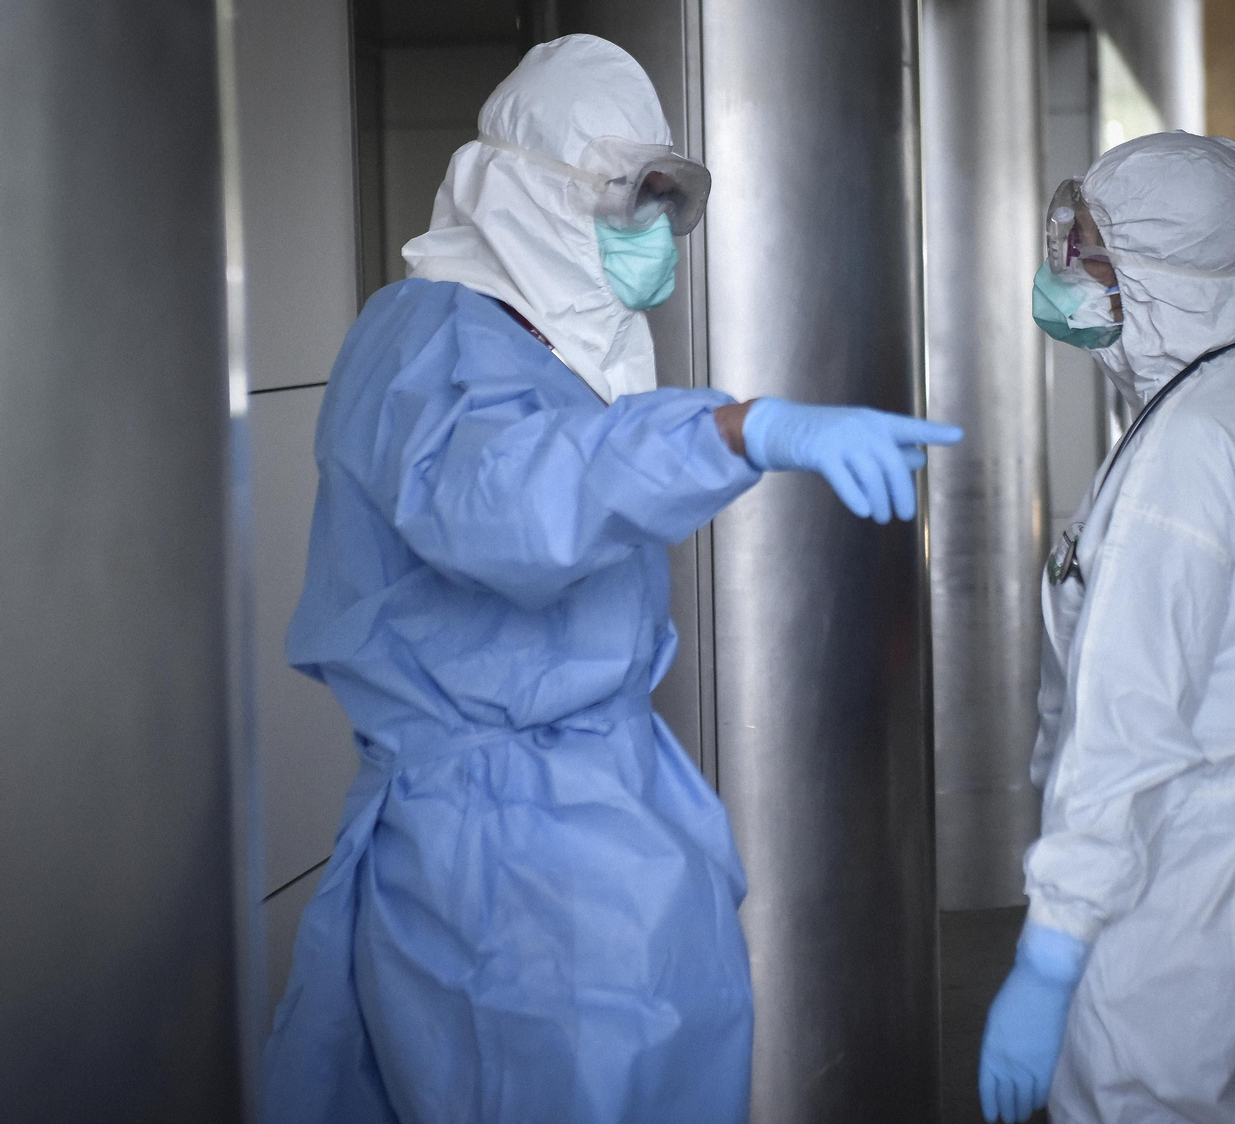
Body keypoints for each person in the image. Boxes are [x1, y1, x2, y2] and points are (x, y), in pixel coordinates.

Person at [260, 34, 960, 1124]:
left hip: (599, 817)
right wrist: (737, 427)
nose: (646, 237)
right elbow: (512, 506)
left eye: (660, 201)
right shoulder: (428, 341)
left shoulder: (534, 349)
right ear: (527, 197)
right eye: (621, 200)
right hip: (499, 869)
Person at [978, 132, 1235, 1124]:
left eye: (1093, 257)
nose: (1067, 277)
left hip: (1196, 897)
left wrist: (1051, 949)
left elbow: (1122, 720)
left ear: (1164, 276)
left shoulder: (1192, 448)